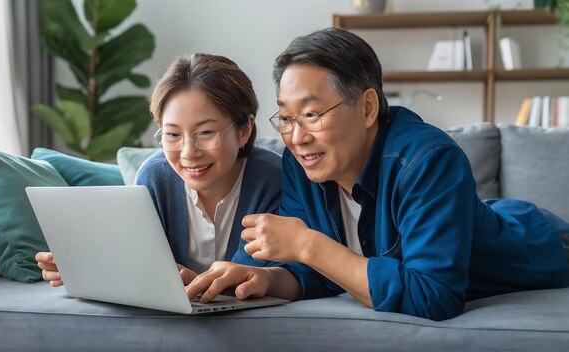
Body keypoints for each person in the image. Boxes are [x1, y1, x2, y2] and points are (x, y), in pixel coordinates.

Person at [185, 28, 569, 321]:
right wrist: (266, 279)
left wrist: (307, 244)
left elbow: (434, 295)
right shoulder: (302, 165)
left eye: (312, 114)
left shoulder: (429, 160)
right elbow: (325, 273)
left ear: (368, 107)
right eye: (286, 117)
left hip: (546, 242)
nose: (297, 136)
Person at [36, 53, 282, 286]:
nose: (188, 153)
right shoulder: (154, 176)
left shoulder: (273, 179)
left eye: (206, 132)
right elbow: (132, 257)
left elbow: (250, 278)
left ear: (244, 131)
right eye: (172, 134)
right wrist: (85, 267)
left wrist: (191, 282)